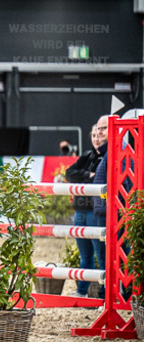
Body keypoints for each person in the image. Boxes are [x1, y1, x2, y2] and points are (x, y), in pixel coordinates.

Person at [66, 121, 107, 296]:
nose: (96, 139)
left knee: (100, 254)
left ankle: (104, 294)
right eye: (93, 136)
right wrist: (88, 176)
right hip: (80, 211)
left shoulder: (106, 157)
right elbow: (69, 173)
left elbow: (76, 175)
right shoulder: (86, 156)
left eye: (99, 135)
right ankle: (82, 291)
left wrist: (83, 177)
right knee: (85, 255)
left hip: (94, 211)